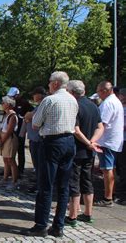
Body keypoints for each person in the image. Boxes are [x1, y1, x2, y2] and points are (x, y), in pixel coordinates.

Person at [24, 71, 78, 238]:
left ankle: (41, 225)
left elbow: (35, 123)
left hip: (52, 142)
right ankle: (58, 226)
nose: (48, 85)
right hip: (69, 141)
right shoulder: (73, 99)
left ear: (55, 83)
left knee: (45, 185)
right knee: (63, 187)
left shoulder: (50, 100)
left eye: (49, 82)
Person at [65, 80, 103, 226]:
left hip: (77, 150)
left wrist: (88, 143)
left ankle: (72, 216)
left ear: (71, 92)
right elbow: (100, 127)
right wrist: (92, 142)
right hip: (89, 152)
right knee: (87, 181)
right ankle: (88, 213)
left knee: (74, 183)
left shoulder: (75, 106)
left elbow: (76, 129)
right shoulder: (93, 106)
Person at [94, 81, 124, 207]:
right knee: (110, 168)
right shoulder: (115, 101)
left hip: (106, 141)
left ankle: (108, 197)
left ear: (105, 90)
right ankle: (111, 193)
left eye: (99, 92)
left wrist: (93, 139)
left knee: (107, 169)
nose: (98, 95)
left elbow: (102, 124)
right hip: (113, 140)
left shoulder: (108, 103)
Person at [21, 86, 47, 194]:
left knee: (39, 164)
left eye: (34, 94)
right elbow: (27, 116)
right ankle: (38, 181)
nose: (33, 96)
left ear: (39, 95)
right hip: (34, 139)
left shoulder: (43, 105)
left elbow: (30, 116)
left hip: (38, 139)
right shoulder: (38, 106)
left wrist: (28, 117)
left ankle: (39, 185)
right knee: (36, 164)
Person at [7, 86, 34, 177]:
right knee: (10, 150)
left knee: (20, 150)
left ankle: (21, 169)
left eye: (13, 96)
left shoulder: (24, 102)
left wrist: (26, 119)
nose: (12, 98)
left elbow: (33, 111)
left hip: (20, 129)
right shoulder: (11, 102)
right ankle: (9, 169)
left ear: (18, 95)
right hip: (11, 129)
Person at [0, 96, 19, 189]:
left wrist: (2, 141)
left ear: (9, 104)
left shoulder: (12, 116)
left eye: (3, 103)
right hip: (4, 138)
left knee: (11, 160)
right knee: (6, 160)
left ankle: (15, 181)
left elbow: (9, 130)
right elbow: (2, 127)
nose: (2, 104)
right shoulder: (6, 114)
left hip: (9, 139)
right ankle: (5, 179)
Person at [115, 88, 126, 205]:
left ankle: (122, 193)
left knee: (123, 167)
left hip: (124, 140)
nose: (120, 97)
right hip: (121, 140)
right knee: (121, 166)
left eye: (122, 95)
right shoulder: (120, 106)